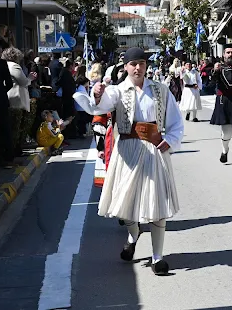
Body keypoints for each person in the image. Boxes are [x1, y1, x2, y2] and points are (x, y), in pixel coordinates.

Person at [73, 47, 185, 275]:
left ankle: (157, 258)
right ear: (125, 67)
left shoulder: (160, 90)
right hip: (127, 150)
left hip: (154, 149)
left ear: (146, 66)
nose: (138, 68)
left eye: (141, 63)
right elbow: (101, 104)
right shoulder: (117, 91)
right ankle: (133, 235)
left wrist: (169, 141)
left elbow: (175, 121)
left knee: (157, 204)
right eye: (133, 64)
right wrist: (96, 92)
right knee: (123, 206)